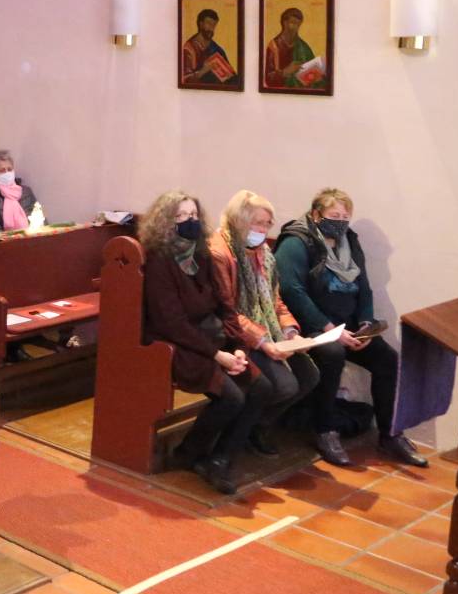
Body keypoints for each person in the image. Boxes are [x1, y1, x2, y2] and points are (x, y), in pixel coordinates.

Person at [276, 188, 426, 467]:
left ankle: (390, 434)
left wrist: (366, 324)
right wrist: (328, 327)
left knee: (388, 360)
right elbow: (291, 290)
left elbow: (364, 287)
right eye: (335, 216)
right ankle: (324, 430)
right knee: (332, 354)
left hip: (350, 327)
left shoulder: (349, 241)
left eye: (346, 217)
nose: (341, 222)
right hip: (311, 326)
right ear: (316, 214)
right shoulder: (297, 242)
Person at [139, 190, 273, 495]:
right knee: (232, 397)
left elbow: (224, 306)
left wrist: (237, 345)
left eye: (194, 215)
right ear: (165, 222)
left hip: (212, 338)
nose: (190, 221)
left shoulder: (201, 254)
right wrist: (218, 356)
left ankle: (221, 458)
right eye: (182, 216)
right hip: (177, 344)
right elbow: (170, 323)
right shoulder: (160, 261)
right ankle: (188, 454)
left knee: (262, 388)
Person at [207, 190, 321, 456]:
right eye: (258, 223)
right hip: (233, 337)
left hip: (266, 332)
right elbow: (228, 311)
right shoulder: (220, 253)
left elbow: (275, 301)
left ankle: (257, 427)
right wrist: (263, 342)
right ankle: (240, 431)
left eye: (268, 224)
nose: (264, 230)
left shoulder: (263, 253)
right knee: (284, 385)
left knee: (309, 376)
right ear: (239, 220)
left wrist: (290, 332)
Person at [0, 150, 43, 233]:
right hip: (5, 243)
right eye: (2, 170)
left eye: (9, 169)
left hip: (31, 239)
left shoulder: (25, 191)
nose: (7, 173)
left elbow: (39, 218)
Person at [263, 6, 324, 90]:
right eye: (292, 23)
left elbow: (315, 71)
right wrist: (285, 72)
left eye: (298, 24)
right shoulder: (274, 46)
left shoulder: (303, 46)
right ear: (284, 22)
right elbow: (268, 79)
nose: (295, 27)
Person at [181, 8, 234, 86]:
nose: (211, 28)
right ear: (201, 24)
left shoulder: (217, 49)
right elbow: (184, 79)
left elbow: (231, 77)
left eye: (214, 25)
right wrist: (203, 70)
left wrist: (229, 75)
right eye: (209, 23)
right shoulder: (189, 48)